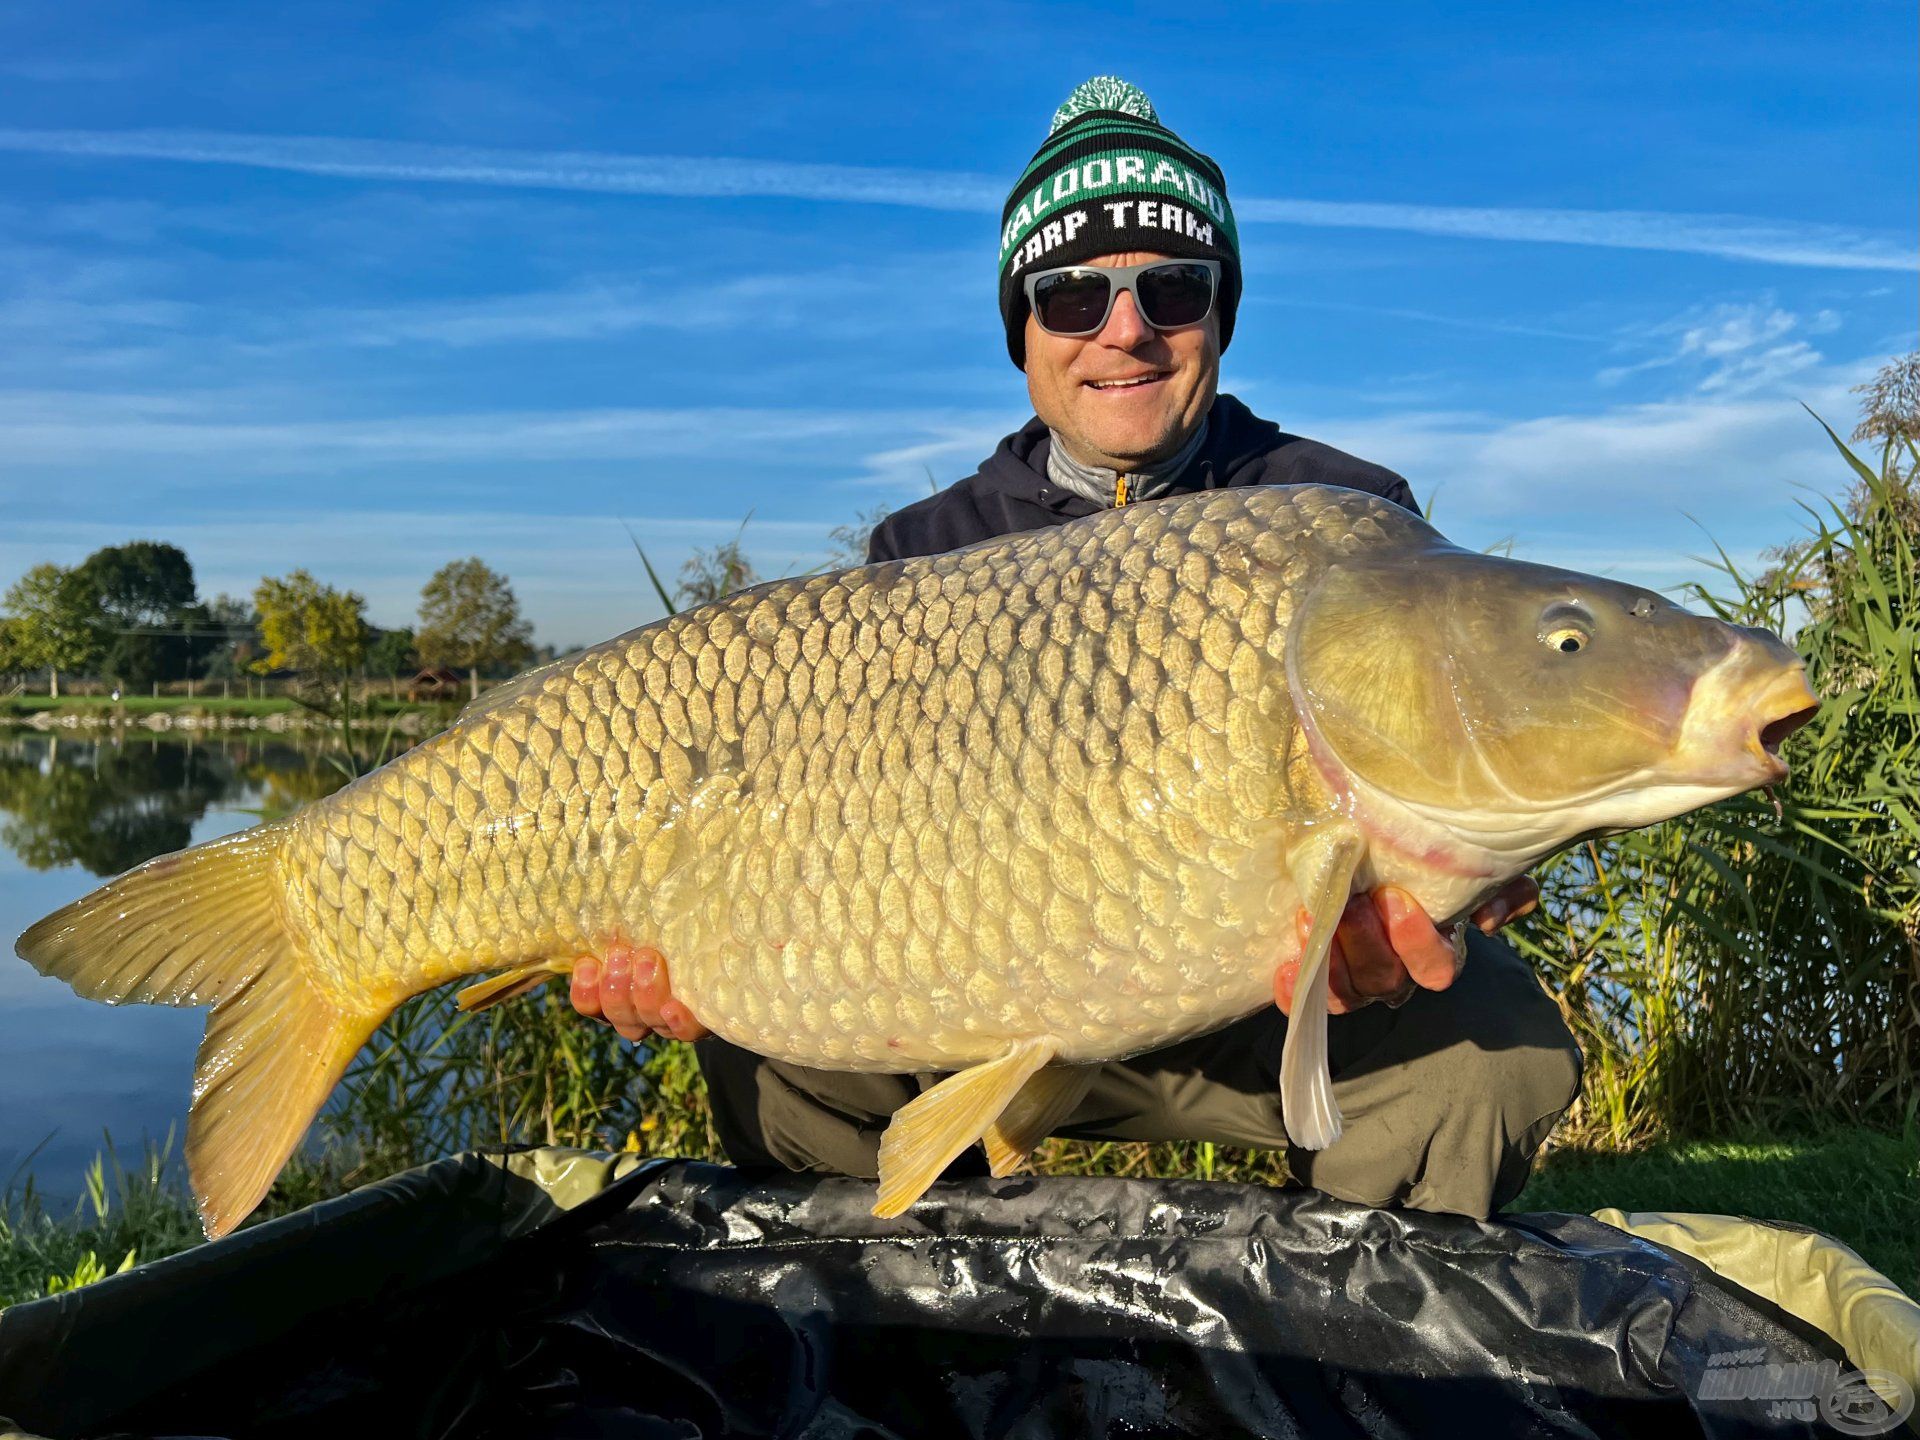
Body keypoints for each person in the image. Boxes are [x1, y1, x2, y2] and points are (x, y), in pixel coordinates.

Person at [571, 77, 1582, 1220]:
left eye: (1173, 287)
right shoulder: (926, 547)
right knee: (766, 1060)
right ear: (1022, 330)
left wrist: (1473, 871)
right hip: (972, 993)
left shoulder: (1344, 512)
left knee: (1496, 1050)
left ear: (1219, 312)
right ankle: (919, 1333)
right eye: (1069, 297)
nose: (1126, 331)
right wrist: (703, 949)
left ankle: (1362, 1356)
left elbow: (1475, 747)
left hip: (1260, 1005)